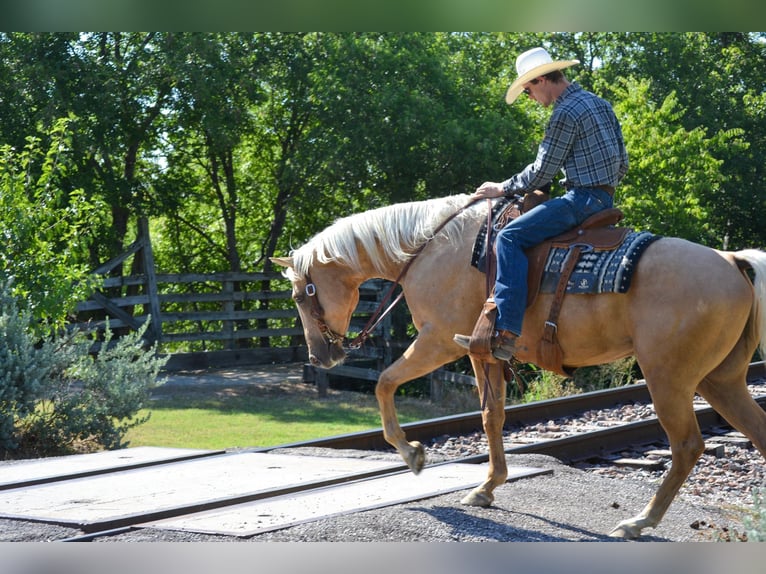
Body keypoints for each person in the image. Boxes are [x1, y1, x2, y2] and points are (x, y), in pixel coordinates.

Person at [454, 46, 628, 361]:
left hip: (583, 199)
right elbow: (623, 163)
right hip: (606, 198)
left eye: (528, 90)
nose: (530, 98)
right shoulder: (600, 104)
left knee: (508, 237)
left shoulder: (565, 112)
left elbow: (541, 171)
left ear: (542, 80)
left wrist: (501, 187)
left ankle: (506, 334)